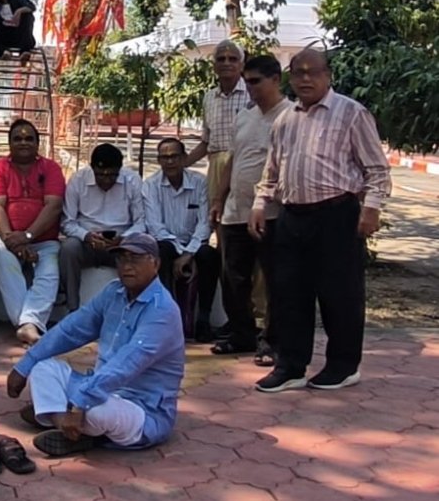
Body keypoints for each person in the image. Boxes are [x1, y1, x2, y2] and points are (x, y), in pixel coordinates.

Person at [250, 49, 392, 393]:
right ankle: (291, 367)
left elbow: (376, 168)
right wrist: (259, 203)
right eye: (298, 73)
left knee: (339, 294)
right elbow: (272, 169)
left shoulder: (351, 113)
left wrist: (371, 208)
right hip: (292, 216)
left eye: (312, 72)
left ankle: (343, 366)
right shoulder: (285, 119)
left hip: (336, 215)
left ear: (328, 75)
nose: (305, 79)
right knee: (289, 293)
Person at [6, 233, 184, 458]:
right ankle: (67, 425)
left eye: (135, 259)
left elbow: (126, 364)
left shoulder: (162, 310)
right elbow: (72, 329)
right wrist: (25, 364)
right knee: (42, 367)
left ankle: (59, 416)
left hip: (141, 409)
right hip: (99, 389)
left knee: (96, 411)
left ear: (156, 264)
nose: (127, 266)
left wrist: (80, 402)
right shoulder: (113, 292)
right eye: (122, 259)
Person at [209, 55, 293, 365]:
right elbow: (234, 160)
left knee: (275, 281)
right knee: (233, 279)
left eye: (256, 81)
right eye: (248, 82)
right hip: (235, 212)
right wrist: (219, 199)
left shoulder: (291, 116)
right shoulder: (244, 116)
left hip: (272, 214)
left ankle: (273, 342)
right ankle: (241, 334)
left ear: (276, 79)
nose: (251, 88)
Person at [0, 120, 66, 345]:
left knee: (48, 274)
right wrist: (13, 240)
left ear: (37, 144)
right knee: (5, 261)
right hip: (9, 238)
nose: (23, 143)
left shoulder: (51, 168)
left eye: (29, 138)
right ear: (9, 143)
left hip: (45, 240)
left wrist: (28, 236)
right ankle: (28, 324)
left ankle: (26, 324)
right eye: (18, 139)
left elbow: (54, 206)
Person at [144, 138, 220, 343]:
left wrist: (189, 253)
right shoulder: (150, 185)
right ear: (159, 160)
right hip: (167, 242)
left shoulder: (200, 182)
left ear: (185, 158)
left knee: (210, 255)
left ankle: (203, 320)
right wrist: (181, 253)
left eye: (174, 156)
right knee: (161, 249)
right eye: (164, 157)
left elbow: (205, 223)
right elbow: (155, 226)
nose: (170, 162)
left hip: (194, 245)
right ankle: (168, 319)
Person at [59, 144, 145, 312]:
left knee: (143, 250)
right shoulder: (78, 180)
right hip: (86, 242)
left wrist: (123, 239)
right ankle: (72, 309)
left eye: (112, 175)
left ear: (119, 170)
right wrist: (86, 236)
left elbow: (141, 222)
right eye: (100, 175)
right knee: (69, 248)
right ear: (92, 168)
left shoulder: (132, 180)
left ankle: (133, 310)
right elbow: (67, 222)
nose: (106, 180)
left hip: (121, 245)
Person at [186, 40, 250, 204]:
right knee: (216, 213)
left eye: (232, 59)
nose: (226, 63)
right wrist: (181, 164)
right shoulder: (209, 98)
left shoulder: (253, 94)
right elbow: (206, 142)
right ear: (214, 66)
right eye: (221, 59)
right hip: (216, 169)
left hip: (245, 166)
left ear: (242, 65)